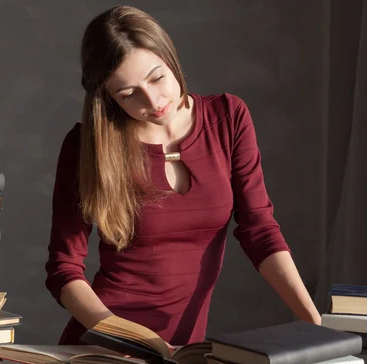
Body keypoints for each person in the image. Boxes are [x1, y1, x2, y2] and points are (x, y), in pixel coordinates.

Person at [45, 5, 321, 346]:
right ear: (108, 98)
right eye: (129, 94)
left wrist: (313, 320)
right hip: (107, 347)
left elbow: (259, 230)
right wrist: (123, 335)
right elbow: (63, 268)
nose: (154, 100)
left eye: (157, 77)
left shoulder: (229, 117)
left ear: (169, 56)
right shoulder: (88, 147)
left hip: (183, 353)